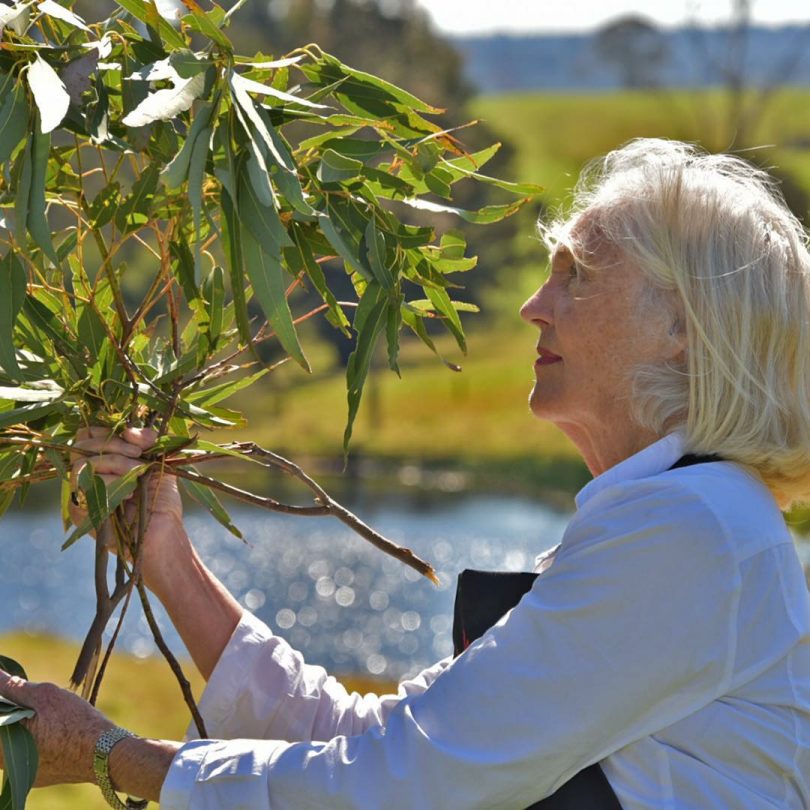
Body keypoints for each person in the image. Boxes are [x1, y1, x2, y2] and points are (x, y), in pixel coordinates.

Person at [1, 138, 809, 808]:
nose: (534, 304)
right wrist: (168, 560)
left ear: (683, 326)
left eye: (579, 273)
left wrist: (111, 755)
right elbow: (382, 743)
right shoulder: (687, 526)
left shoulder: (689, 533)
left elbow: (411, 782)